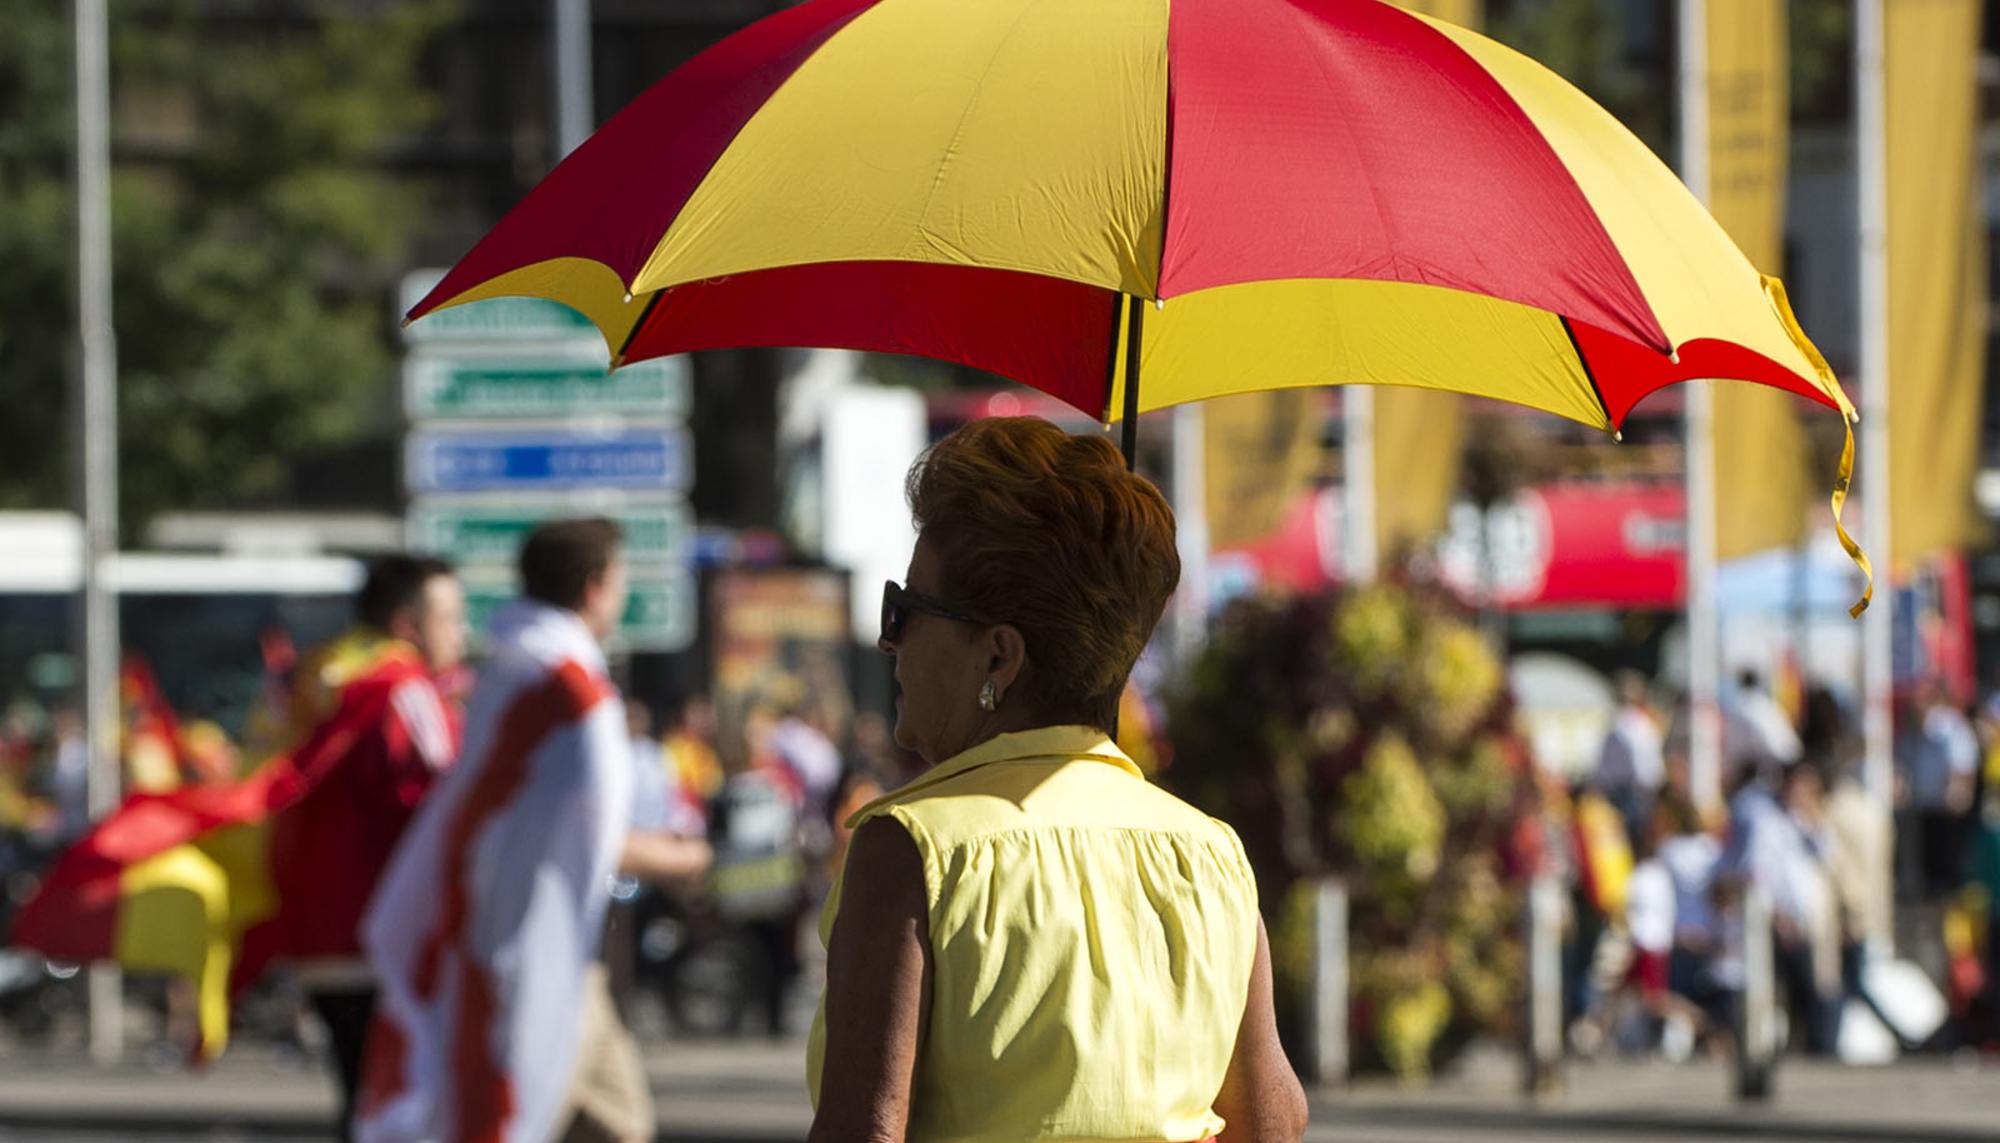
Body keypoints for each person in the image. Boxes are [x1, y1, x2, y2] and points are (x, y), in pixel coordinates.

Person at [809, 417, 1306, 1142]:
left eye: (907, 609)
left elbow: (864, 1129)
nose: (891, 640)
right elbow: (1272, 1122)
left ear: (999, 658)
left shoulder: (912, 848)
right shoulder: (1213, 857)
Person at [359, 518, 646, 1143]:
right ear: (596, 587)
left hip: (535, 951)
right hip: (526, 952)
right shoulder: (561, 690)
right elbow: (566, 834)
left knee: (611, 1125)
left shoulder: (521, 673)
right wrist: (674, 856)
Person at [263, 554, 466, 1141]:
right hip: (384, 938)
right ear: (407, 625)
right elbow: (441, 802)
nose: (460, 633)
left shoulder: (328, 682)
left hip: (323, 933)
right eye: (450, 617)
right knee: (402, 1113)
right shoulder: (403, 689)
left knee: (365, 1106)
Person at [1907, 679, 1978, 898]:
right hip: (1927, 805)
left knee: (1947, 865)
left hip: (1946, 807)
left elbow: (1962, 764)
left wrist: (1958, 791)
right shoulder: (1926, 725)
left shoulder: (1948, 724)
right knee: (1932, 862)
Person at [1595, 672, 1665, 842]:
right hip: (1636, 792)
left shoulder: (1619, 725)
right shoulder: (1642, 725)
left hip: (1625, 793)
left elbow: (1603, 766)